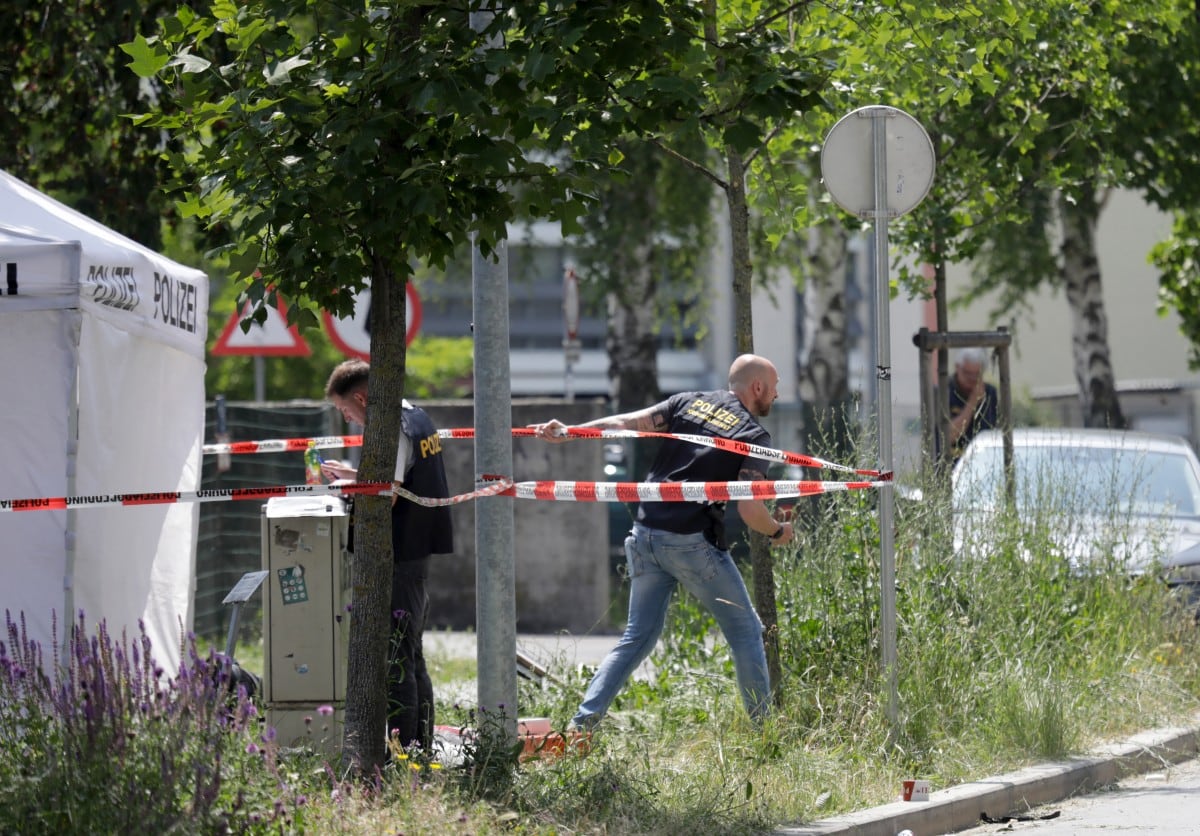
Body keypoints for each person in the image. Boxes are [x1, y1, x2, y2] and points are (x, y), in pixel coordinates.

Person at [529, 353, 795, 730]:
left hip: (645, 533)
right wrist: (778, 532)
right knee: (747, 633)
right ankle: (764, 733)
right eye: (775, 387)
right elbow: (750, 509)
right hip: (691, 544)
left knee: (636, 638)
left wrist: (572, 430)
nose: (777, 395)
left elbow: (625, 424)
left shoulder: (687, 402)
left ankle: (581, 727)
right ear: (757, 388)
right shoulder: (753, 435)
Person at [322, 359, 453, 752]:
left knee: (398, 659)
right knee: (411, 654)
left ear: (362, 397)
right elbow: (399, 478)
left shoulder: (391, 428)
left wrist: (354, 493)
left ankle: (407, 753)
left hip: (401, 553)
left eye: (346, 411)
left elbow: (389, 494)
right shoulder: (416, 416)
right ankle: (420, 748)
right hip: (416, 550)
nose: (349, 419)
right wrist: (354, 477)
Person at [947, 347, 999, 463]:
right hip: (952, 465)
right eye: (967, 374)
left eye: (977, 375)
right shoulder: (944, 391)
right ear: (957, 368)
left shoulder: (990, 394)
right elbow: (948, 436)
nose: (972, 379)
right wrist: (972, 402)